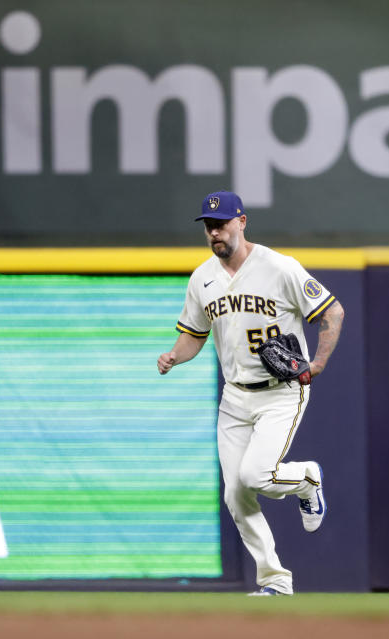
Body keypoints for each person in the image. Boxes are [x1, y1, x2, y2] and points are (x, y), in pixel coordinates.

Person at [156, 190, 345, 597]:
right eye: (209, 226)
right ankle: (275, 581)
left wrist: (319, 363)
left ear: (242, 222)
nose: (215, 232)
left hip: (281, 392)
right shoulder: (202, 278)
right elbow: (194, 335)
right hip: (235, 397)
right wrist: (174, 356)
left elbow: (332, 312)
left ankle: (308, 478)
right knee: (236, 494)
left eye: (222, 224)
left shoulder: (279, 268)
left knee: (256, 475)